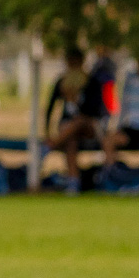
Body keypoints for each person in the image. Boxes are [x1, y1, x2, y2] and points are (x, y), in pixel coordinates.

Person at [46, 47, 99, 190]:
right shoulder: (62, 82)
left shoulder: (91, 82)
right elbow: (50, 109)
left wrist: (74, 101)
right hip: (68, 132)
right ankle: (73, 181)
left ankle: (50, 147)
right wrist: (47, 132)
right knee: (71, 140)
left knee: (78, 121)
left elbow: (95, 112)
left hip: (88, 129)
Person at [105, 49, 139, 167]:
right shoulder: (130, 78)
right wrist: (118, 126)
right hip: (132, 126)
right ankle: (111, 173)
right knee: (108, 141)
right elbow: (123, 105)